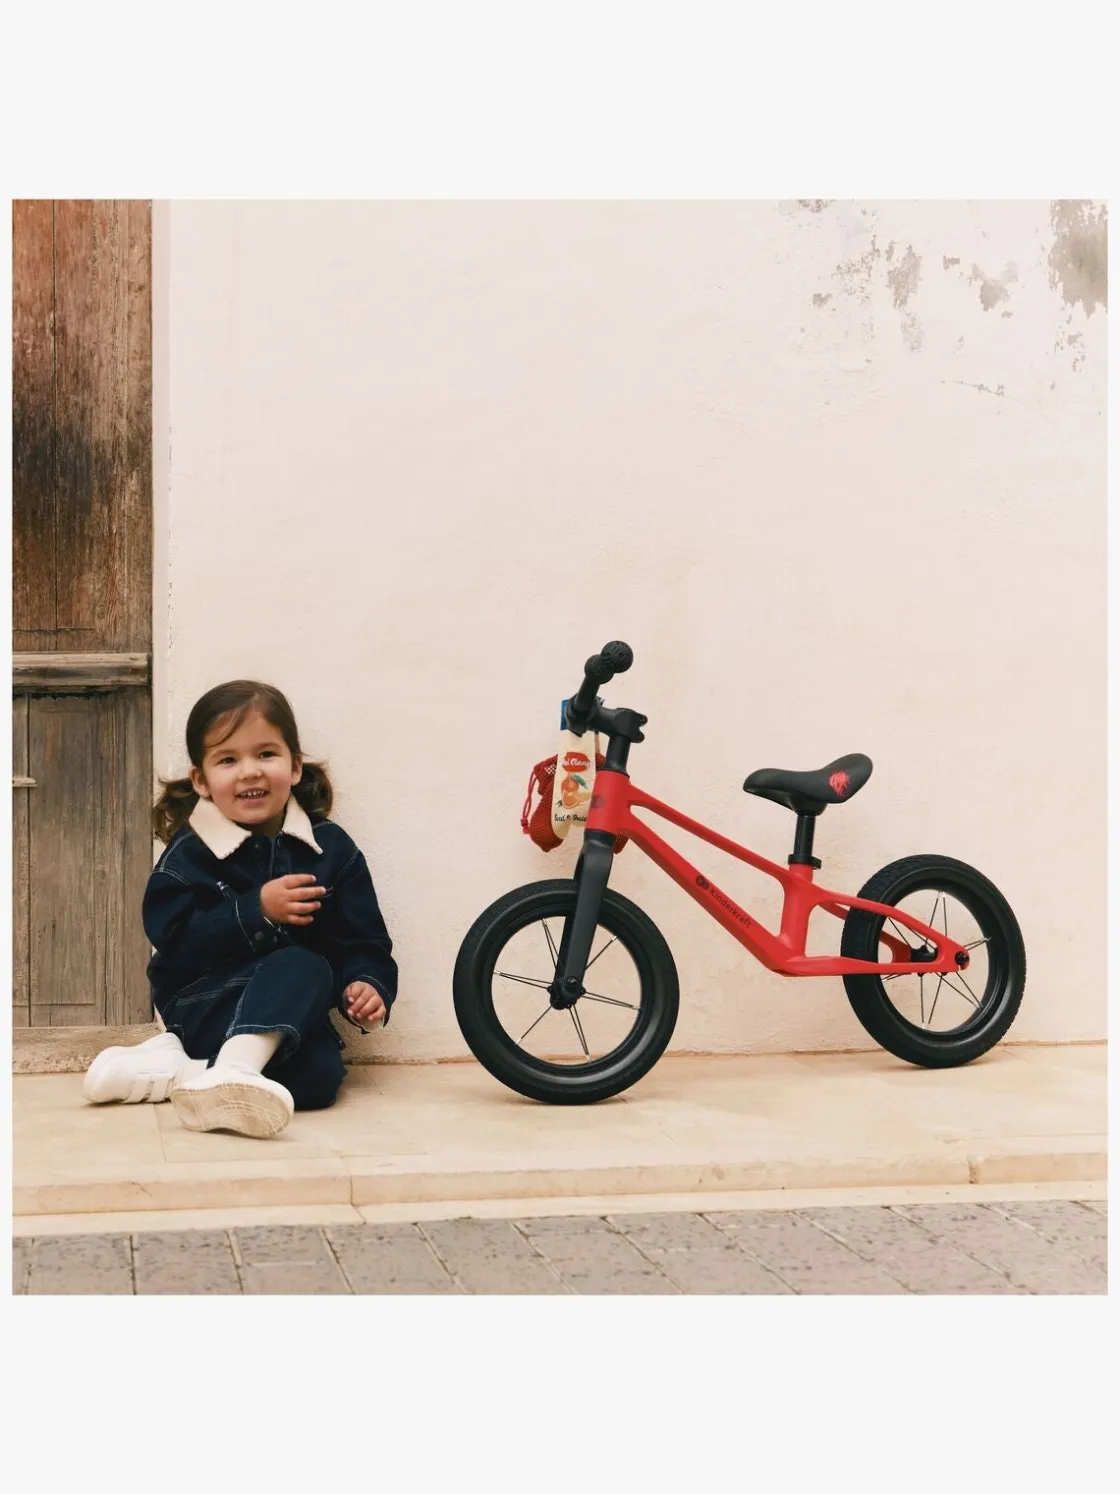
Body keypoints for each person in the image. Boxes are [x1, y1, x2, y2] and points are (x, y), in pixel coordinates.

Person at [83, 680, 397, 1139]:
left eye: (266, 754)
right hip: (203, 1006)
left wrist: (368, 984)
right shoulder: (191, 852)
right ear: (201, 780)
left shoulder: (331, 850)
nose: (249, 772)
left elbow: (365, 940)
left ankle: (184, 1073)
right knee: (304, 964)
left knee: (320, 1077)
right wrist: (257, 911)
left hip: (287, 1020)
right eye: (228, 760)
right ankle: (232, 1066)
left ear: (294, 766)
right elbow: (176, 942)